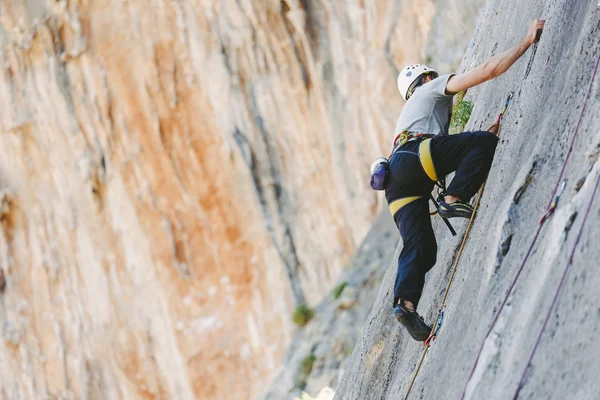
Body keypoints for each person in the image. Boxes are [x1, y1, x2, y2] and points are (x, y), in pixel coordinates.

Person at [384, 18, 545, 341]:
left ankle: (405, 304)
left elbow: (446, 154)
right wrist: (527, 42)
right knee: (482, 143)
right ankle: (453, 200)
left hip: (395, 180)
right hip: (418, 157)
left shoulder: (408, 115)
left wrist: (475, 140)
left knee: (421, 247)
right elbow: (487, 70)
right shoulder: (431, 88)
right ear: (426, 77)